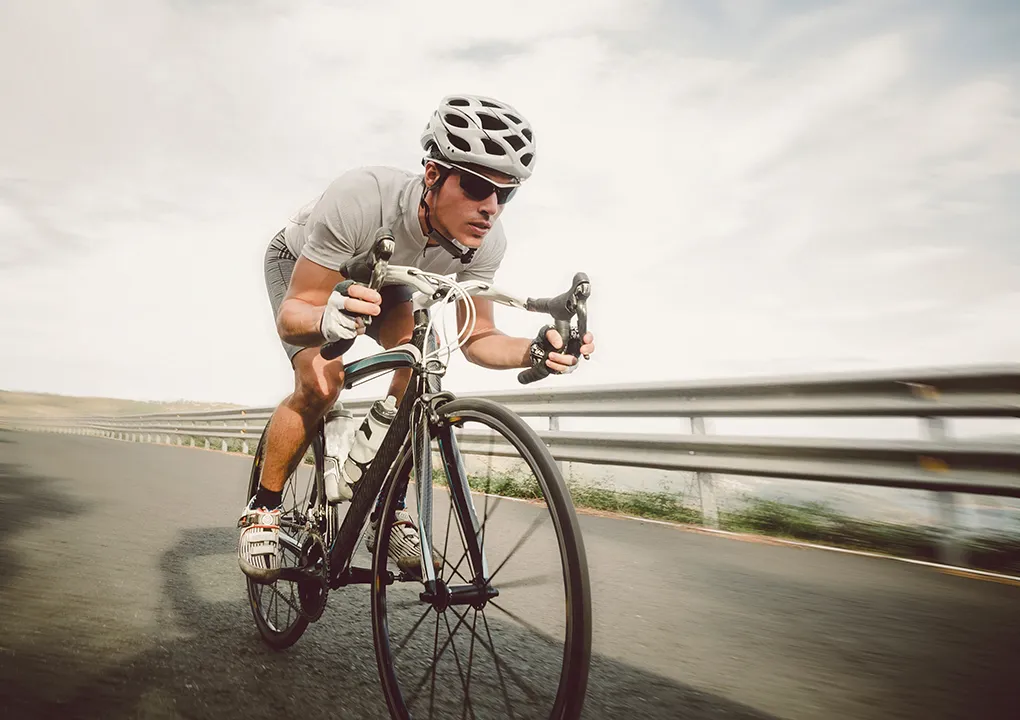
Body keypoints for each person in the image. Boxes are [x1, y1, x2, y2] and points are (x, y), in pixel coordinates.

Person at [238, 94, 596, 583]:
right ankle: (263, 507)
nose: (490, 208)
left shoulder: (485, 241)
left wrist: (535, 350)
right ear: (432, 175)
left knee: (422, 373)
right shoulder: (362, 198)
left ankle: (388, 506)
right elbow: (293, 315)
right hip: (310, 265)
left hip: (391, 277)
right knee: (323, 385)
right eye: (475, 186)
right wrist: (326, 321)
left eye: (504, 194)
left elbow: (479, 337)